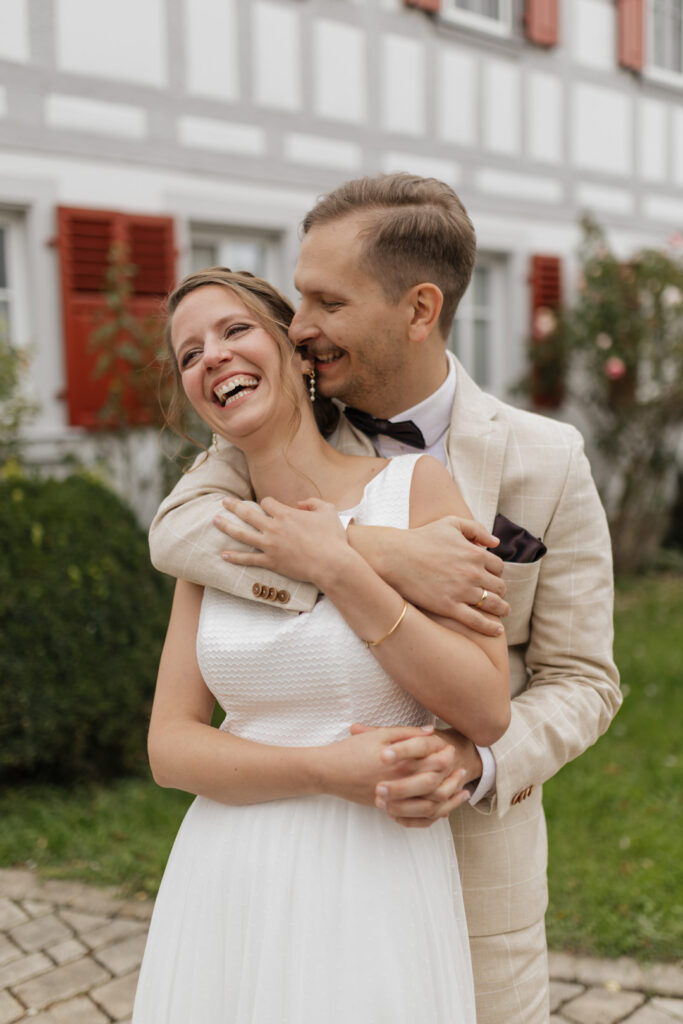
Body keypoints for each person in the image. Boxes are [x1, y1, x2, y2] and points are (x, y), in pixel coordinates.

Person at [148, 174, 621, 1024]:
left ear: (418, 308)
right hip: (258, 869)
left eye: (327, 301)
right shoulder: (277, 422)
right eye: (296, 300)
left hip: (468, 875)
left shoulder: (546, 460)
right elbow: (177, 536)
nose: (300, 326)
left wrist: (477, 763)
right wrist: (374, 549)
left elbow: (585, 679)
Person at [133, 266, 512, 1022]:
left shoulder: (414, 490)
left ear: (297, 352)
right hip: (226, 871)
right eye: (190, 353)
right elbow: (170, 747)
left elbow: (486, 709)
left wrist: (340, 564)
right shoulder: (216, 532)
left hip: (373, 874)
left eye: (235, 330)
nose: (212, 356)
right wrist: (322, 769)